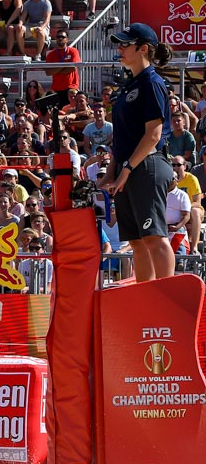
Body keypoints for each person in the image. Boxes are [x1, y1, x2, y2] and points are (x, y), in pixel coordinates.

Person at [100, 23, 175, 282]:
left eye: (125, 44)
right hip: (129, 167)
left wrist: (126, 171)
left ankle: (167, 296)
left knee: (154, 236)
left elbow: (153, 134)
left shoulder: (152, 83)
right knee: (137, 241)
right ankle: (147, 298)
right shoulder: (128, 86)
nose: (119, 49)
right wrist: (112, 172)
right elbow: (120, 138)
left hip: (147, 165)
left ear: (143, 49)